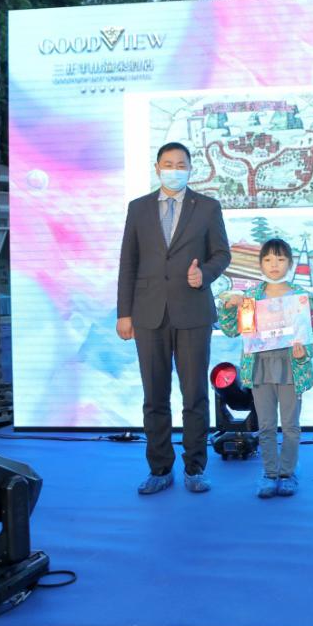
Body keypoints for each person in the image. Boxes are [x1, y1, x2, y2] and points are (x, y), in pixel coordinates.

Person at [117, 142, 231, 495]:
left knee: (194, 394)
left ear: (191, 168)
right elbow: (128, 262)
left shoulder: (207, 207)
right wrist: (124, 313)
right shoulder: (138, 208)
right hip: (147, 313)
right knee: (154, 396)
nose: (174, 170)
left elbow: (222, 254)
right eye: (168, 164)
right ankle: (159, 469)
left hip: (193, 312)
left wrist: (204, 275)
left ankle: (195, 468)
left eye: (181, 164)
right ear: (157, 168)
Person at [218, 239, 313, 498]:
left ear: (290, 263)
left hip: (290, 367)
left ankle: (287, 473)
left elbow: (312, 335)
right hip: (260, 367)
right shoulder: (251, 297)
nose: (275, 265)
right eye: (269, 259)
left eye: (281, 259)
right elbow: (230, 330)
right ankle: (270, 473)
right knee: (266, 425)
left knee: (291, 426)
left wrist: (304, 351)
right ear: (261, 264)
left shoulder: (300, 297)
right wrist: (228, 307)